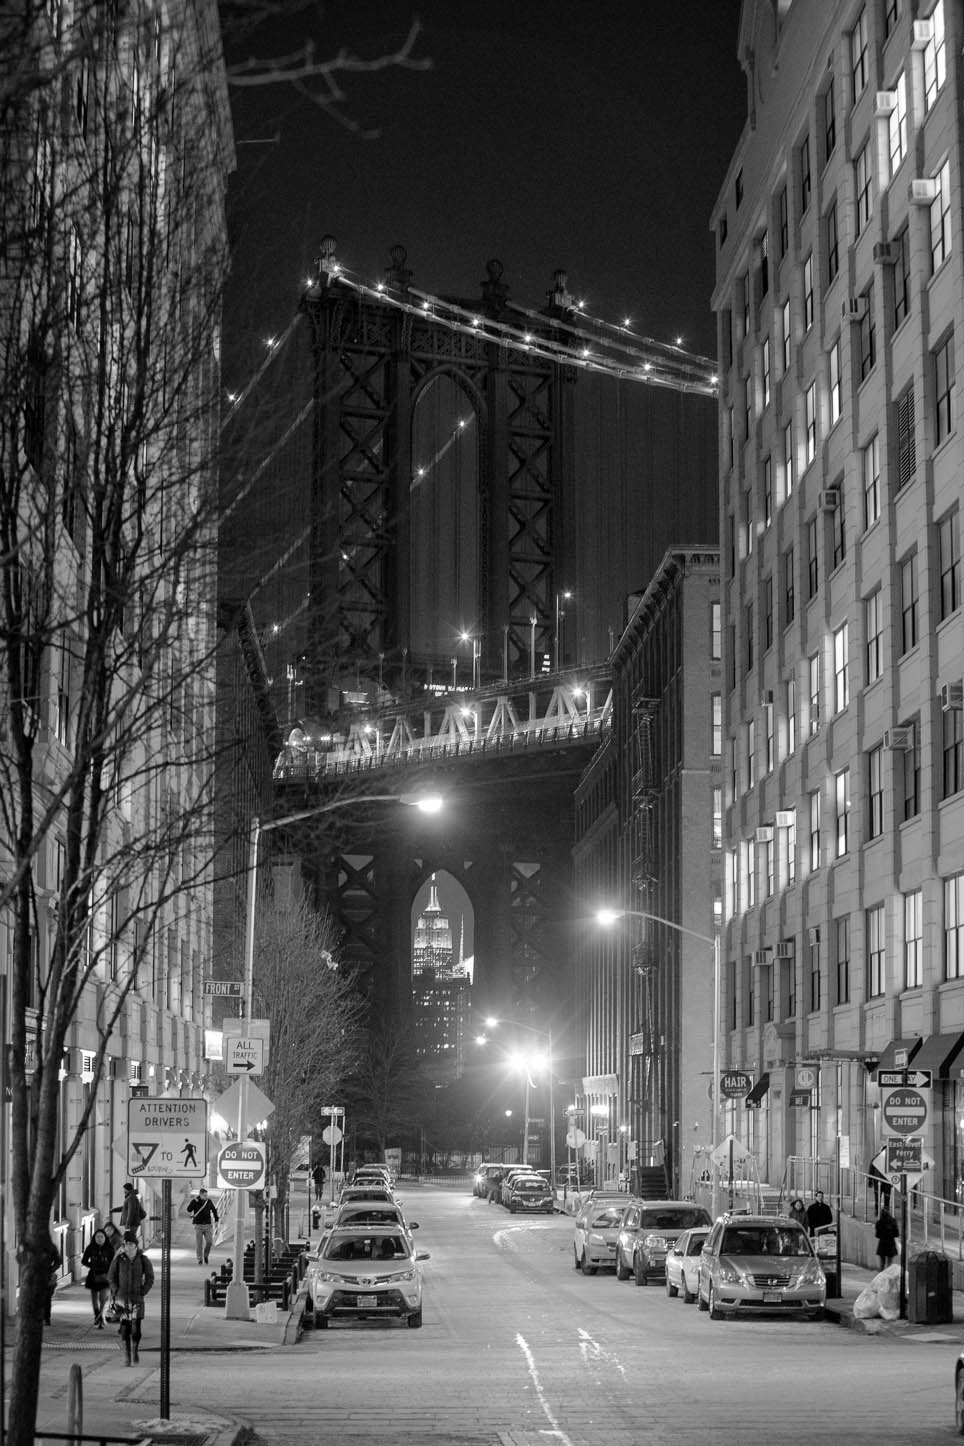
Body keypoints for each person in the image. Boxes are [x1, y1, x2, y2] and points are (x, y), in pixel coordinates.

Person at [107, 1230, 154, 1366]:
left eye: (131, 1243)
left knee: (136, 1328)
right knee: (125, 1328)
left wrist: (143, 1290)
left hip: (137, 1298)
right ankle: (127, 1355)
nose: (128, 1246)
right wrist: (116, 1291)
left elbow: (150, 1277)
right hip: (122, 1299)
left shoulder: (143, 1259)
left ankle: (135, 1350)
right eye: (126, 1244)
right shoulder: (119, 1259)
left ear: (136, 1245)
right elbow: (111, 1277)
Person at [81, 1227, 114, 1328]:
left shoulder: (109, 1248)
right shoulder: (90, 1248)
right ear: (94, 1238)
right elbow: (84, 1260)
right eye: (97, 1237)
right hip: (94, 1275)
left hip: (105, 1276)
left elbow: (113, 1262)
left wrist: (108, 1270)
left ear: (105, 1238)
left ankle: (101, 1314)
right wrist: (92, 1265)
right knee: (94, 1297)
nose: (99, 1239)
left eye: (101, 1237)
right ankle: (97, 1315)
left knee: (103, 1297)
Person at [186, 1187, 219, 1265]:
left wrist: (216, 1219)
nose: (206, 1197)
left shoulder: (208, 1201)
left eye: (206, 1195)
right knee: (199, 1243)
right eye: (204, 1195)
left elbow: (214, 1210)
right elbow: (189, 1209)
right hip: (198, 1225)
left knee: (209, 1242)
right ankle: (199, 1258)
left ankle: (206, 1255)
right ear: (200, 1195)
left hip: (208, 1225)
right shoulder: (195, 1201)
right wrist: (194, 1202)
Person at [875, 1203, 899, 1270]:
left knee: (882, 1263)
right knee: (890, 1262)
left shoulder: (879, 1222)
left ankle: (881, 1275)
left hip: (882, 1243)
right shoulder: (893, 1221)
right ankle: (888, 1276)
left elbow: (877, 1235)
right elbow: (896, 1234)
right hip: (891, 1243)